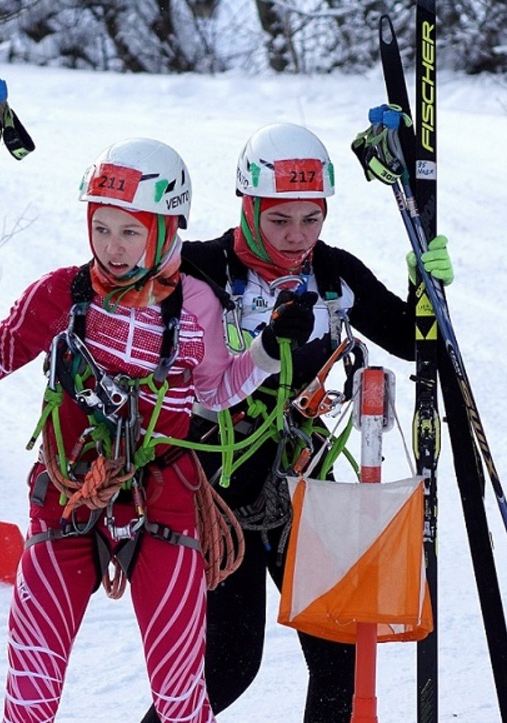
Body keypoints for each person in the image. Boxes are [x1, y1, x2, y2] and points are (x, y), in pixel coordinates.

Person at [0, 138, 317, 723]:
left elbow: (212, 391)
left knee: (181, 686)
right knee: (32, 676)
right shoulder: (62, 293)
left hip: (167, 497)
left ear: (167, 229)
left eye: (131, 232)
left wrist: (264, 353)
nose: (113, 247)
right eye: (102, 228)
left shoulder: (198, 305)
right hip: (68, 494)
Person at [140, 123, 454, 723]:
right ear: (249, 206)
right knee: (228, 666)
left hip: (302, 481)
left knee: (339, 653)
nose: (296, 237)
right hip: (214, 488)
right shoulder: (200, 267)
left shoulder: (333, 274)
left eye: (311, 219)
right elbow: (123, 303)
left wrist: (426, 289)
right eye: (279, 219)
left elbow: (417, 343)